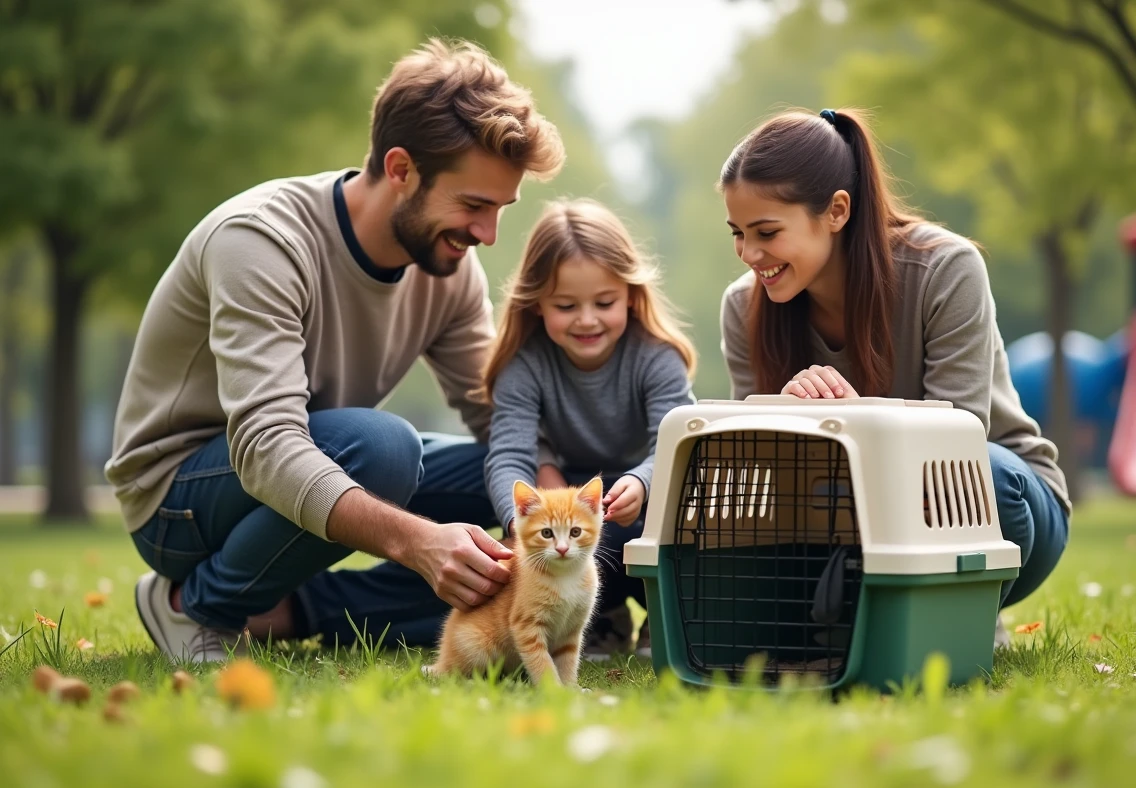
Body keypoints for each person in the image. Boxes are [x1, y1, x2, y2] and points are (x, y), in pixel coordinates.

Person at [104, 38, 565, 662]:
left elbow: (500, 415)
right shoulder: (262, 241)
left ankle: (291, 611)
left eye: (500, 209)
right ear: (401, 170)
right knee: (384, 450)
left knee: (512, 485)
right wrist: (418, 543)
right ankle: (196, 606)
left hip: (325, 457)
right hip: (180, 501)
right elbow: (267, 447)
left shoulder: (451, 267)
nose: (486, 235)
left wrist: (558, 517)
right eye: (474, 205)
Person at [717, 108, 1070, 646]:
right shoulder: (744, 305)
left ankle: (961, 604)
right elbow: (757, 476)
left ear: (836, 211)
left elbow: (958, 445)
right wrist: (782, 415)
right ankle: (862, 613)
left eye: (767, 232)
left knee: (992, 477)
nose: (750, 255)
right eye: (739, 233)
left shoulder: (946, 269)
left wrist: (854, 418)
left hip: (988, 500)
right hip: (836, 516)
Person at [479, 199, 697, 659]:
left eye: (604, 302)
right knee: (581, 538)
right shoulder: (526, 365)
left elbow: (677, 445)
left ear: (631, 296)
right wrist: (520, 522)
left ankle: (664, 618)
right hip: (567, 513)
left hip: (642, 507)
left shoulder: (657, 359)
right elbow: (508, 455)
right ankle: (604, 621)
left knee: (647, 529)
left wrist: (641, 481)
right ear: (537, 304)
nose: (586, 319)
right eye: (565, 305)